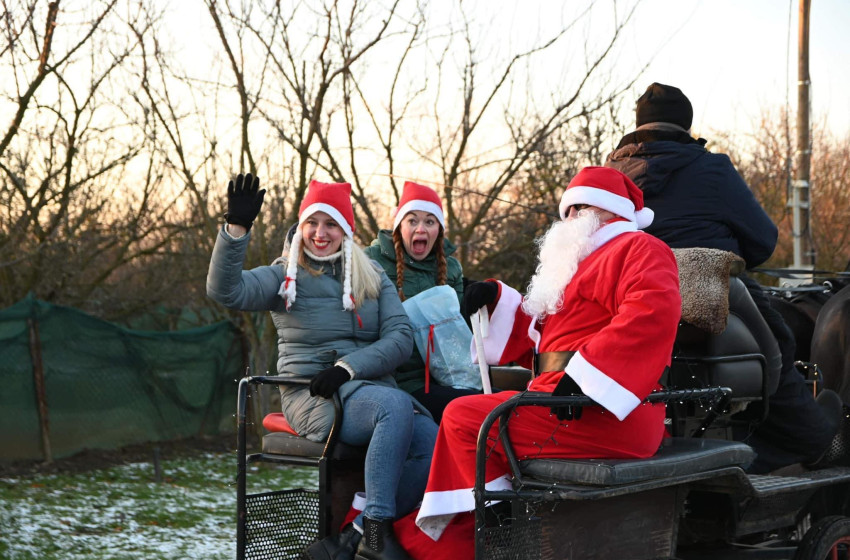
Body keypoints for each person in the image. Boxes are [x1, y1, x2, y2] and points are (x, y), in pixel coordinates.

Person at [410, 166, 682, 554]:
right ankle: (495, 524)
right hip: (562, 401)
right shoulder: (576, 265)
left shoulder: (638, 248)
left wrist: (591, 376)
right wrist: (495, 299)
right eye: (566, 210)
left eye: (579, 208)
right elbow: (546, 345)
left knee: (464, 418)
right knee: (464, 416)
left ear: (608, 211)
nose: (568, 219)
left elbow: (652, 312)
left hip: (606, 410)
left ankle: (496, 531)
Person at [605, 82, 845, 473]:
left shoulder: (606, 174)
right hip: (703, 286)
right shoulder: (712, 168)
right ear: (687, 126)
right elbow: (764, 241)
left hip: (624, 296)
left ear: (637, 126)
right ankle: (817, 440)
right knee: (780, 338)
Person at [207, 175, 437, 560]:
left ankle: (354, 537)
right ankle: (377, 536)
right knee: (393, 406)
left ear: (345, 230)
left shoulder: (372, 275)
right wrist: (237, 229)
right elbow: (225, 291)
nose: (319, 233)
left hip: (363, 385)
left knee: (431, 440)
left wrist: (349, 368)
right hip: (312, 393)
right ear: (302, 226)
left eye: (330, 224)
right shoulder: (286, 276)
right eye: (312, 222)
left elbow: (400, 337)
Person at [365, 181, 478, 422]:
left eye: (429, 221)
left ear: (439, 229)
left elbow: (458, 337)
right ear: (399, 226)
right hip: (399, 381)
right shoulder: (371, 261)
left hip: (446, 378)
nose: (421, 229)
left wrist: (473, 304)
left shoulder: (451, 269)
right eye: (412, 220)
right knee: (472, 410)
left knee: (505, 403)